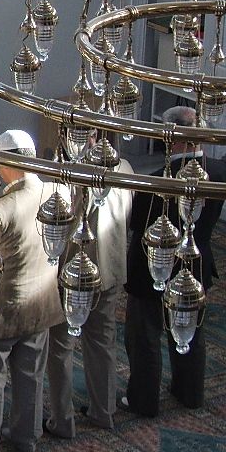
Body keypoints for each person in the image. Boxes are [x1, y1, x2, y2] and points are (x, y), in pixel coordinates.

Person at [0, 129, 62, 452]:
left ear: (6, 164)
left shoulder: (1, 209)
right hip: (42, 300)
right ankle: (26, 437)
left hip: (3, 307)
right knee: (31, 373)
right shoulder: (56, 192)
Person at [124, 105, 226, 415]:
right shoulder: (219, 171)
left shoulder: (158, 183)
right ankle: (190, 393)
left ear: (174, 139)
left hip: (153, 267)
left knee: (145, 337)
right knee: (190, 331)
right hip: (196, 264)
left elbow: (138, 224)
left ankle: (144, 401)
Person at [45, 153, 134, 436]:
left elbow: (64, 224)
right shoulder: (125, 167)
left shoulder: (77, 174)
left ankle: (62, 420)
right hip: (110, 269)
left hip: (76, 274)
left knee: (61, 345)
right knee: (102, 341)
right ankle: (104, 411)